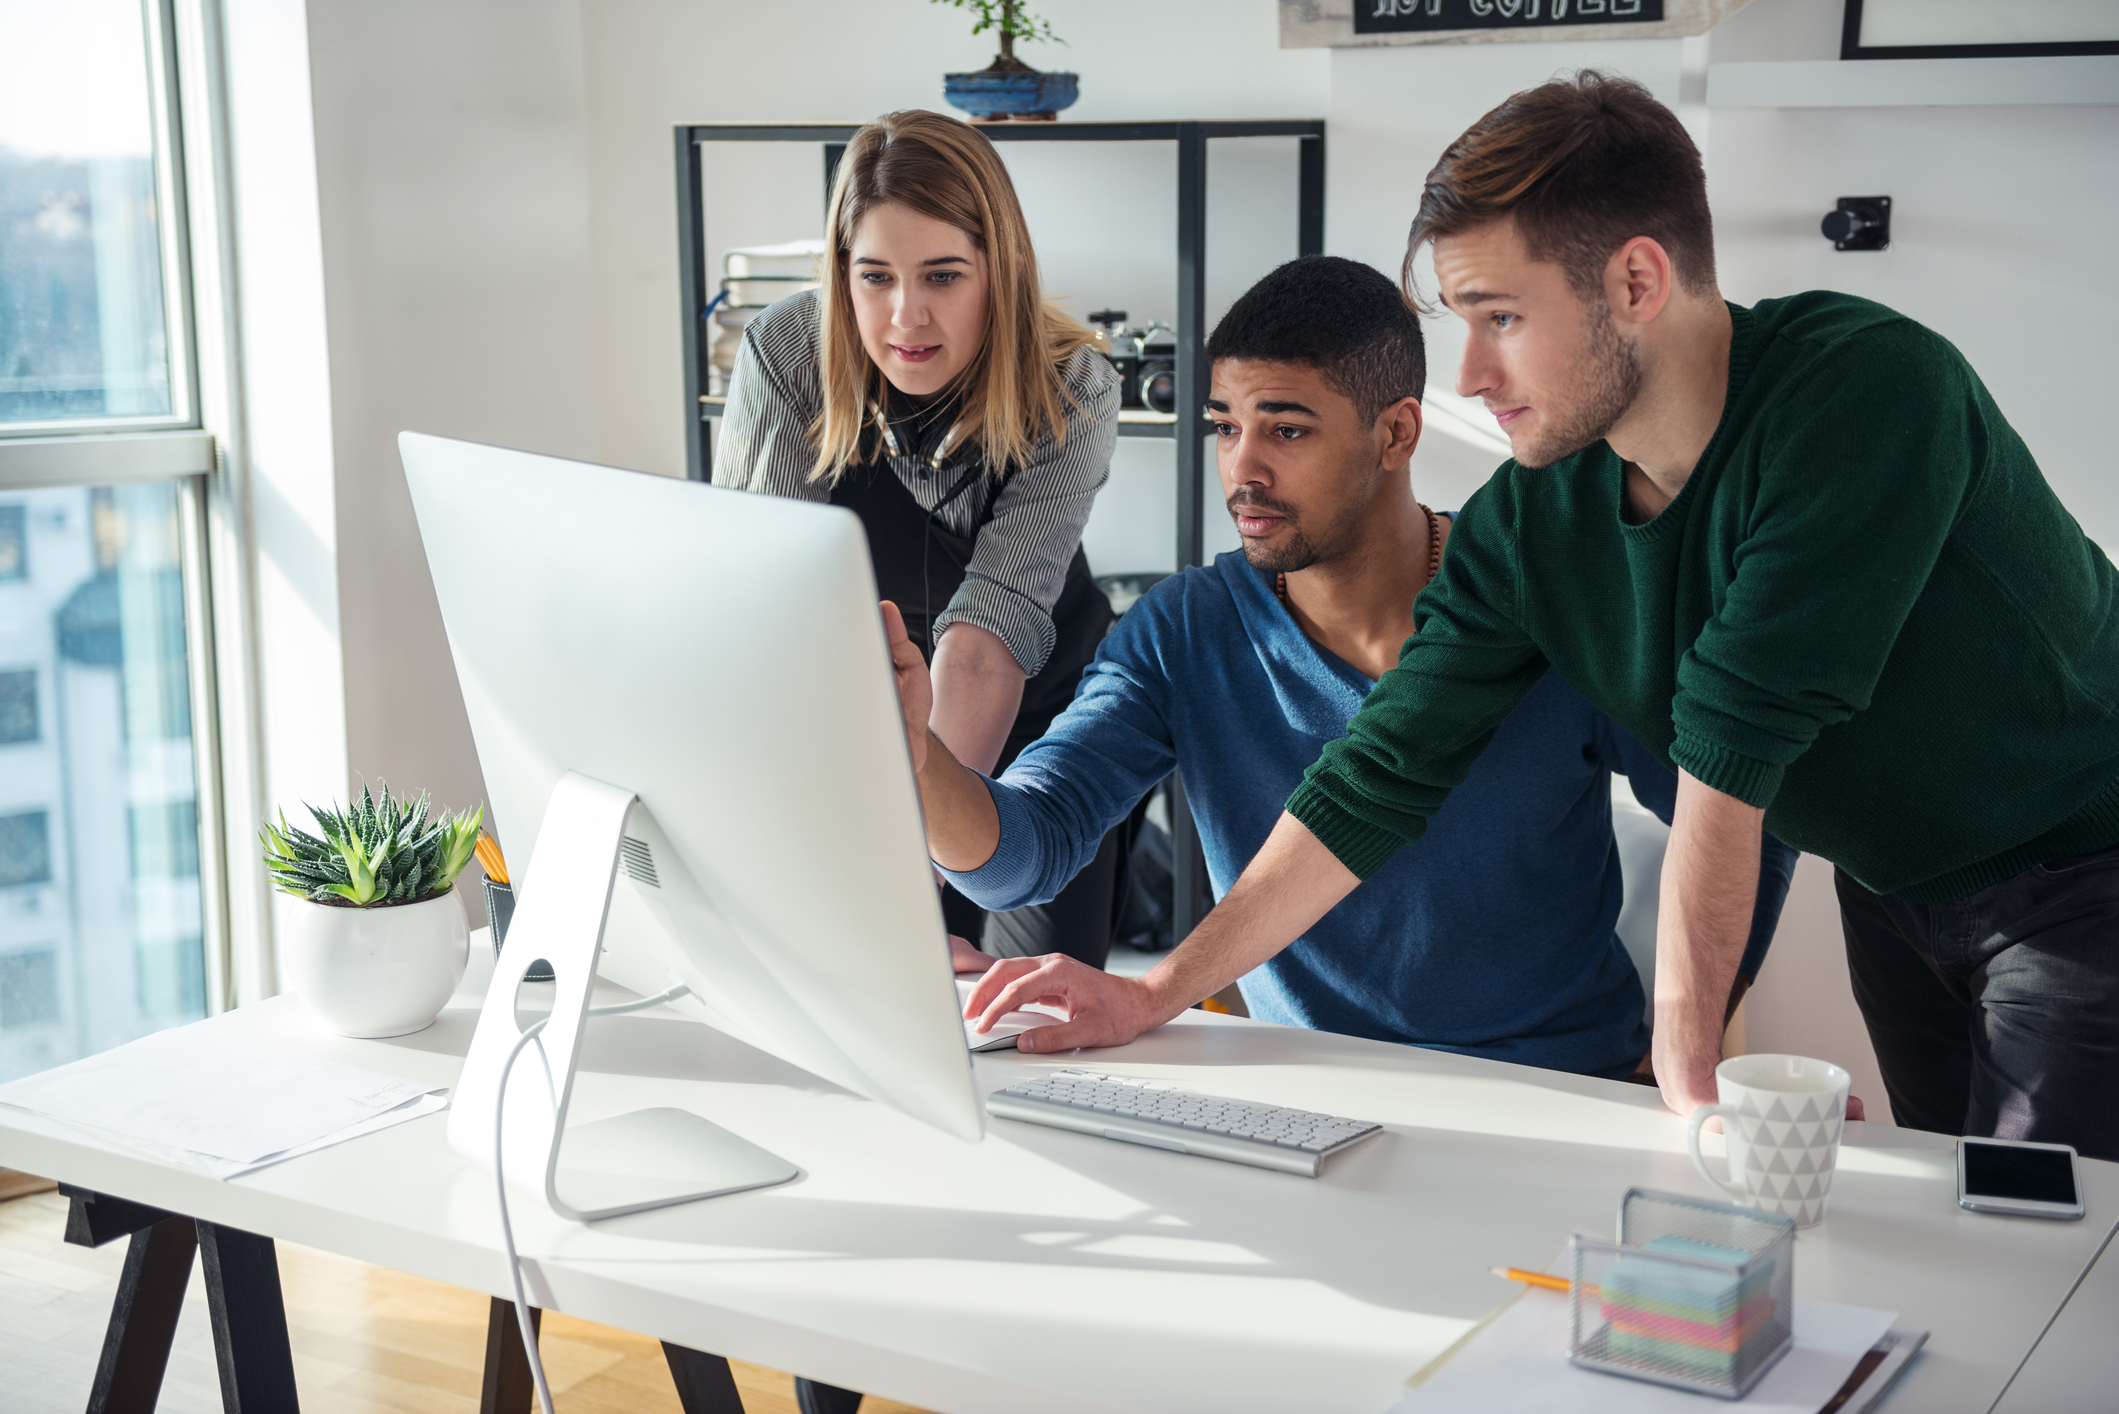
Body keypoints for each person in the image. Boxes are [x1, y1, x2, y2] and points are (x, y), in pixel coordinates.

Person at [966, 73, 2119, 1160]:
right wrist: (1155, 991)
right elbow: (1376, 774)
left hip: (2080, 869)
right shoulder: (1534, 517)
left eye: (1498, 316)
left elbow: (1727, 766)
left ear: (1634, 281)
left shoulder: (1864, 394)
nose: (1468, 372)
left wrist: (1685, 1077)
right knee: (1975, 1228)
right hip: (1891, 882)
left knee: (2055, 1260)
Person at [894, 254, 1795, 1078]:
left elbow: (1753, 817)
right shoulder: (1185, 631)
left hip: (1551, 1083)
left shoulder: (1552, 611)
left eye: (1286, 432)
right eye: (1223, 427)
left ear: (1395, 433)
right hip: (1306, 1085)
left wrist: (1686, 1036)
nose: (1241, 469)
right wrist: (916, 754)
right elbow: (1024, 857)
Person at [715, 109, 1136, 969]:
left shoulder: (1072, 384)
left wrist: (906, 876)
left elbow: (983, 650)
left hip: (1035, 722)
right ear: (841, 274)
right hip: (868, 716)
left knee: (1029, 1016)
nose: (906, 317)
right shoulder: (788, 352)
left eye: (942, 276)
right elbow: (760, 610)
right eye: (875, 277)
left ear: (1000, 269)